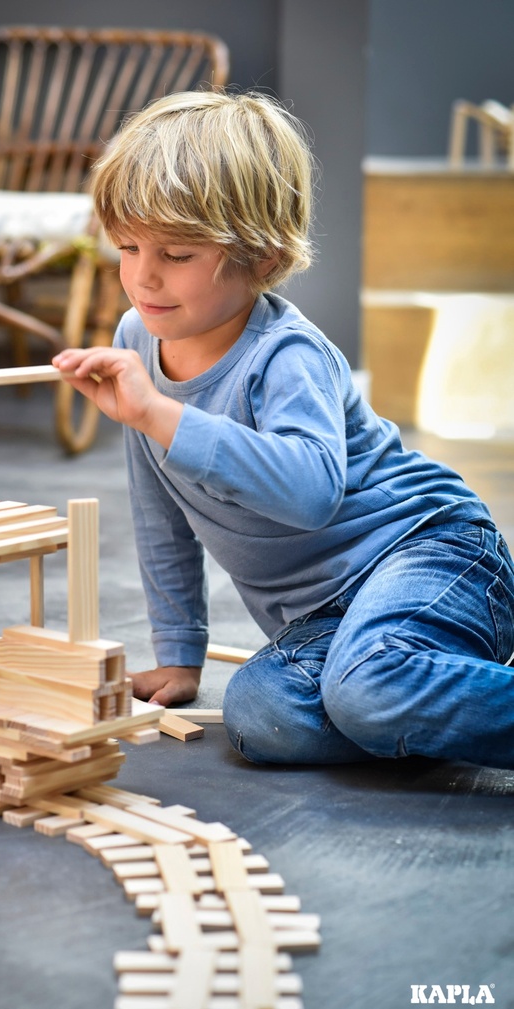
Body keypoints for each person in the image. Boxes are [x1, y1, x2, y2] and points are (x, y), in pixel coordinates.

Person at [53, 89, 514, 769]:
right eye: (126, 246)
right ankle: (414, 693)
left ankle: (399, 684)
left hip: (428, 554)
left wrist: (158, 411)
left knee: (367, 686)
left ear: (262, 258)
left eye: (176, 254)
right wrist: (179, 656)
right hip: (325, 621)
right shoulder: (137, 339)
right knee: (262, 717)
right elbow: (159, 511)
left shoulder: (287, 356)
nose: (142, 276)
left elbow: (309, 494)